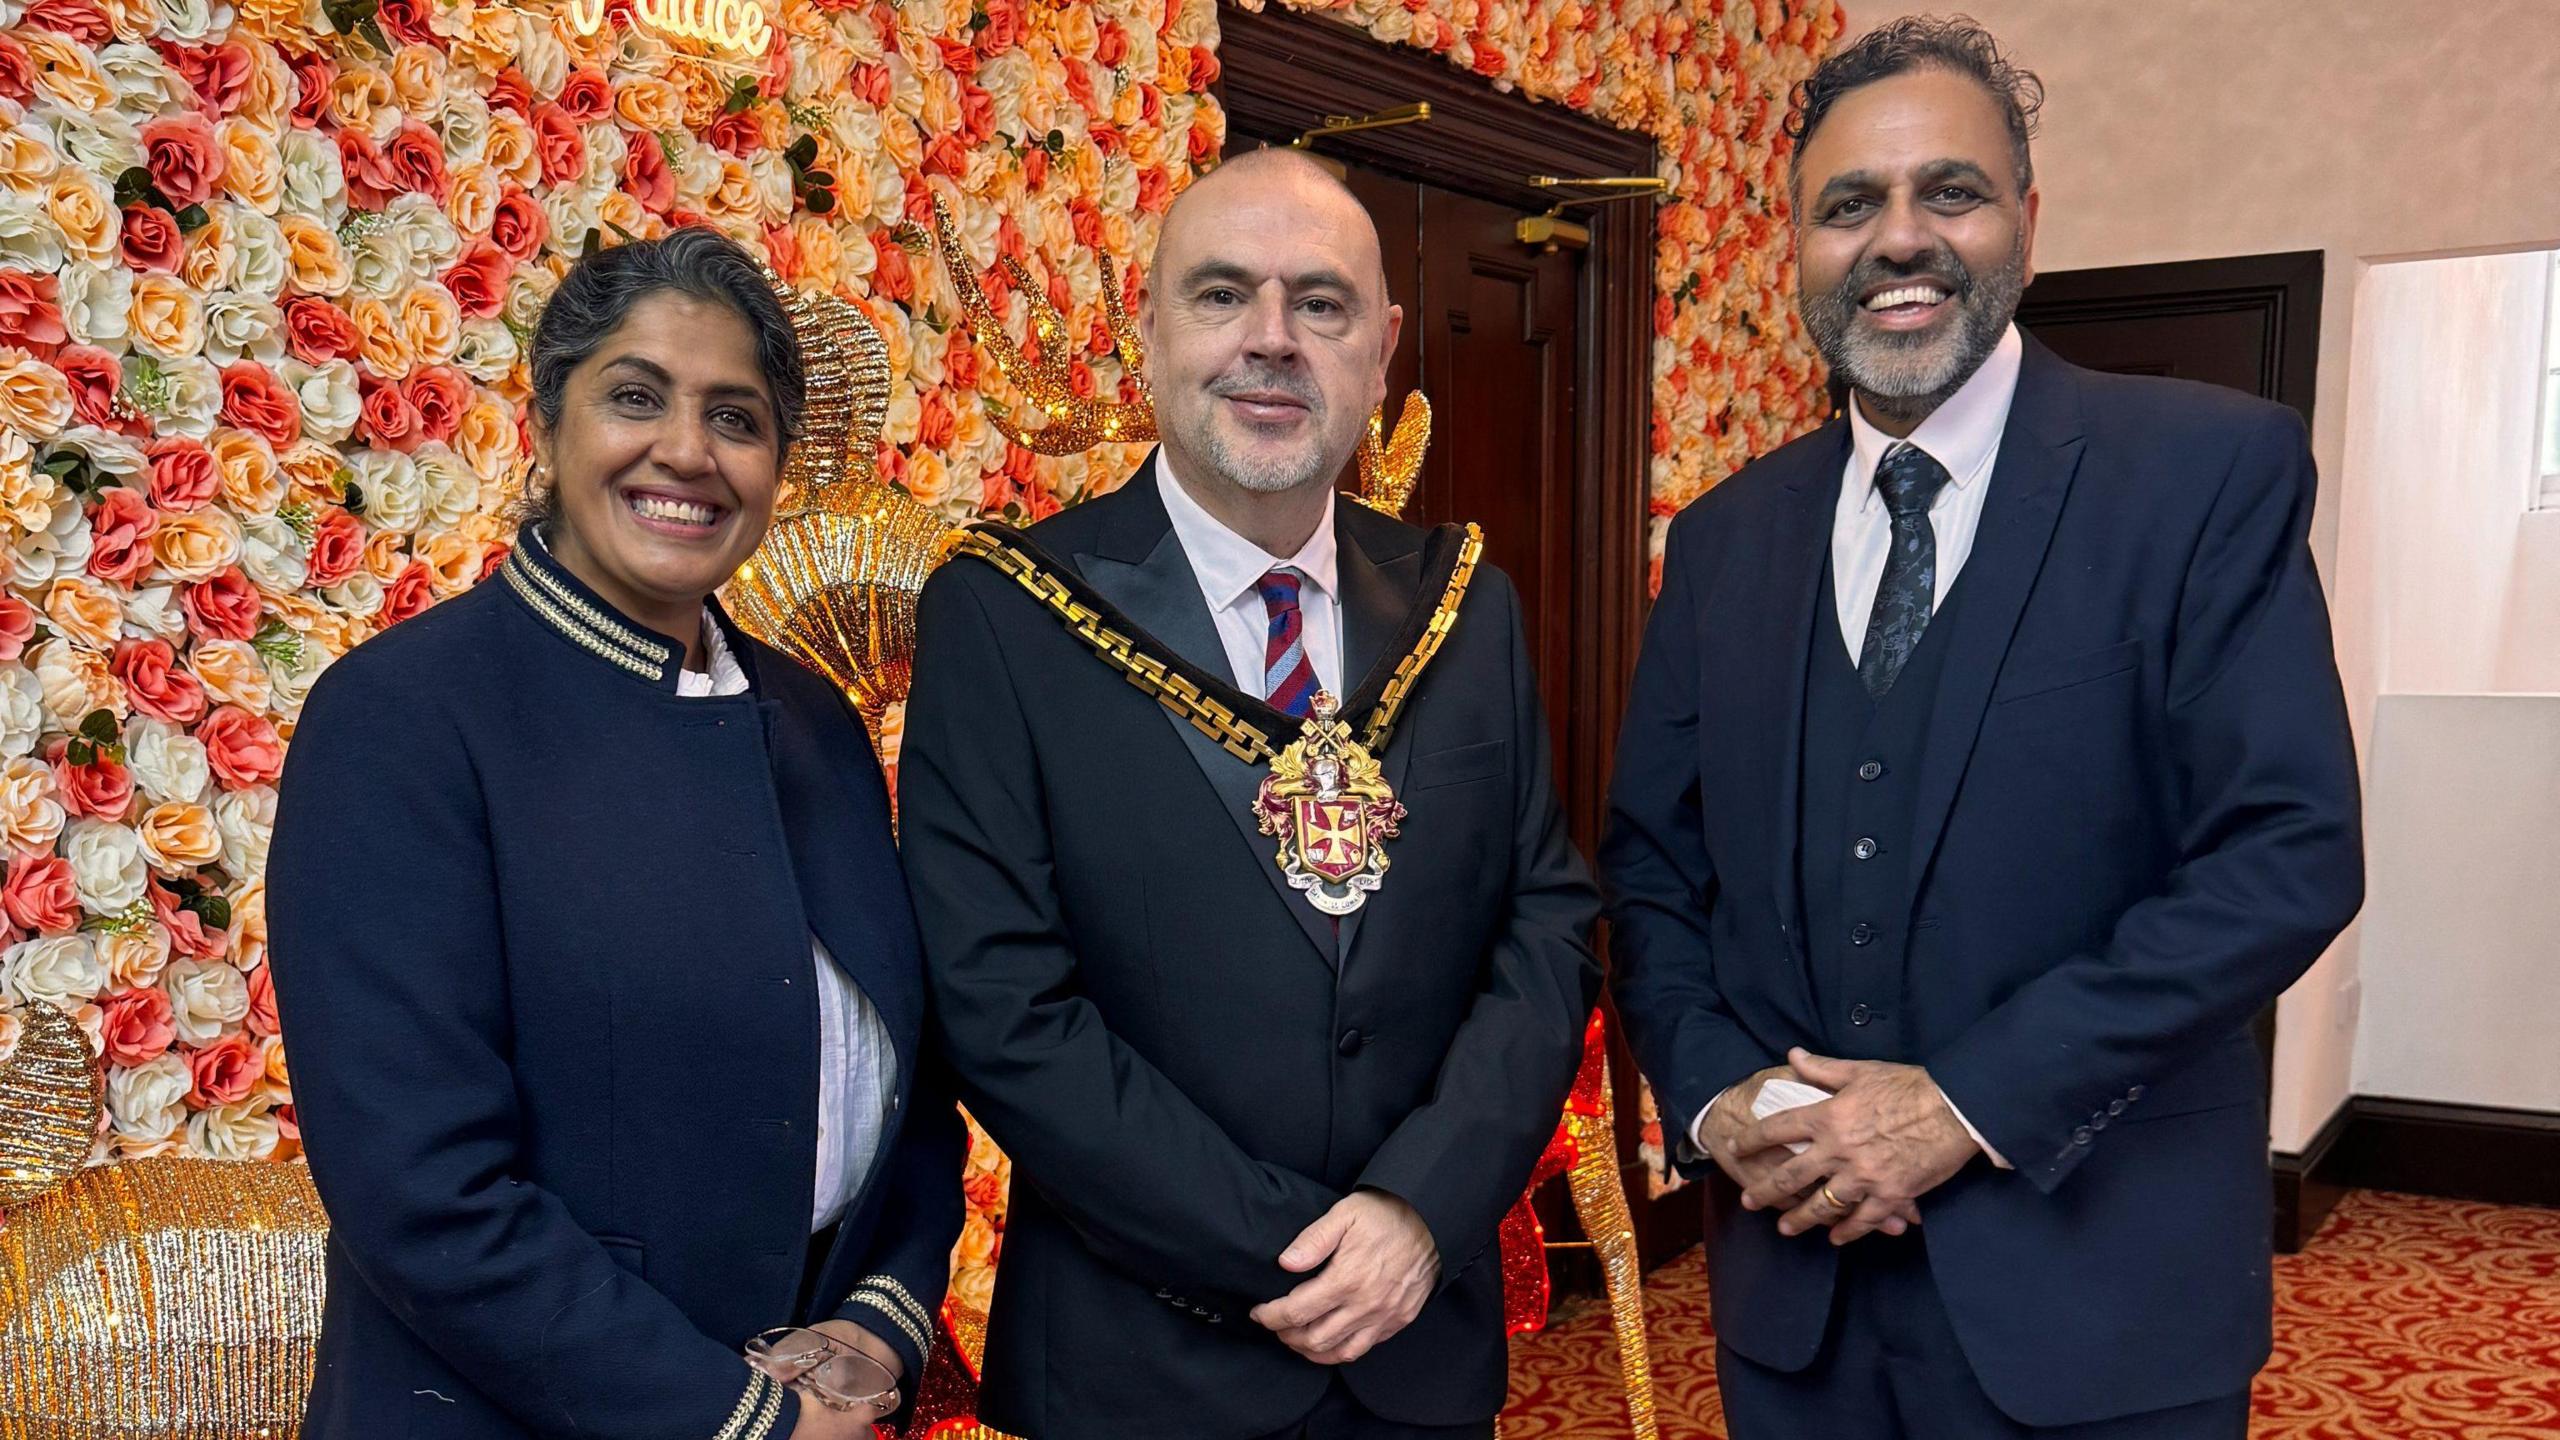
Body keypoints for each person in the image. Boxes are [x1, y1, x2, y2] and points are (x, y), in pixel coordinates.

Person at [1603, 17, 2364, 1439]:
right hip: (1796, 1306)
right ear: (1797, 248)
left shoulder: (2206, 474)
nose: (1900, 239)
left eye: (1947, 191)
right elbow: (1652, 871)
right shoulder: (1721, 543)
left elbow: (2287, 855)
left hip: (2101, 1305)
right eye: (1849, 205)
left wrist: (1966, 1103)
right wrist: (1714, 1103)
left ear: (2028, 218)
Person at [896, 147, 1601, 1440]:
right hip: (1139, 1368)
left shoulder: (1466, 605)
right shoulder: (1006, 614)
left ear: (1383, 348)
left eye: (1320, 304)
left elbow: (1544, 933)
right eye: (1222, 295)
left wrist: (1415, 1216)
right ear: (1149, 325)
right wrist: (1297, 1252)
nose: (1271, 340)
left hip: (1417, 1354)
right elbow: (1002, 1007)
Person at [268, 227, 963, 1440]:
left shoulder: (816, 724)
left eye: (736, 418)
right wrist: (745, 1418)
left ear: (776, 464)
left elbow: (911, 1095)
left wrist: (873, 1323)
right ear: (548, 428)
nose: (687, 452)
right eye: (635, 398)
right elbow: (424, 1195)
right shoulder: (403, 718)